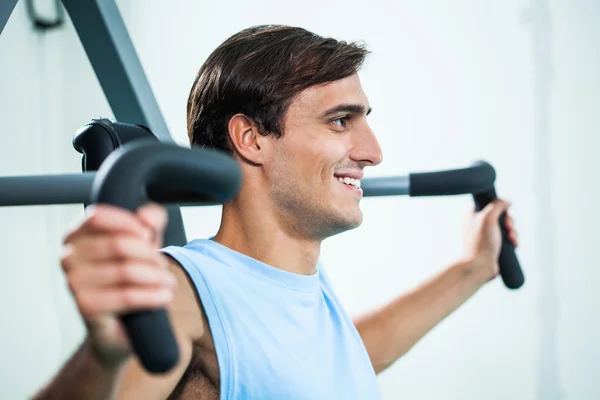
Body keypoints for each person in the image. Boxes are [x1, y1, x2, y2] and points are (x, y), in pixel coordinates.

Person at [33, 25, 518, 399]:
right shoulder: (177, 295)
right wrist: (103, 356)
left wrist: (474, 267)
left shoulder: (297, 288)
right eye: (340, 121)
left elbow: (337, 361)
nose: (373, 152)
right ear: (252, 138)